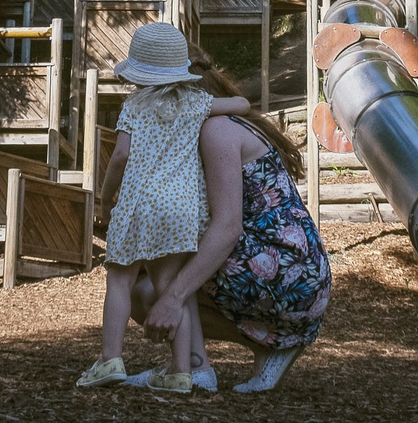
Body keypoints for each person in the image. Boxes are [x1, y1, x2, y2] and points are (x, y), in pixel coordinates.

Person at [125, 55, 331, 394]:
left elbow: (227, 228)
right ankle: (262, 347)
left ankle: (194, 368)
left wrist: (174, 297)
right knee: (143, 293)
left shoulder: (215, 130)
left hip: (288, 271)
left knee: (165, 246)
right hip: (296, 275)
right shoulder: (226, 121)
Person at [78, 22, 217, 394]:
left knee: (120, 280)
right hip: (181, 208)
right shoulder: (196, 104)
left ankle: (110, 358)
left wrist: (106, 200)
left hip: (138, 205)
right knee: (172, 289)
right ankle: (179, 371)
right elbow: (242, 104)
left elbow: (121, 156)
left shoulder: (133, 106)